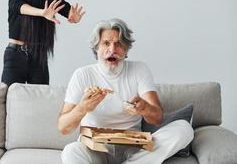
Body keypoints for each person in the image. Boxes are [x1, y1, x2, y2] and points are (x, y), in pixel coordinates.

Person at [58, 18, 194, 164]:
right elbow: (63, 128)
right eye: (106, 43)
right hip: (95, 149)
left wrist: (144, 108)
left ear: (126, 48)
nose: (112, 50)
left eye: (118, 44)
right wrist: (82, 108)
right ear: (96, 48)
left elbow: (158, 118)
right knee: (70, 152)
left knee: (184, 129)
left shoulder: (139, 70)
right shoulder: (82, 74)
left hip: (133, 149)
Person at [1, 0, 85, 86]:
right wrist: (42, 12)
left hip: (38, 56)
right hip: (15, 54)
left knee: (41, 97)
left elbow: (66, 9)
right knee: (8, 94)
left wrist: (74, 17)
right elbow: (15, 5)